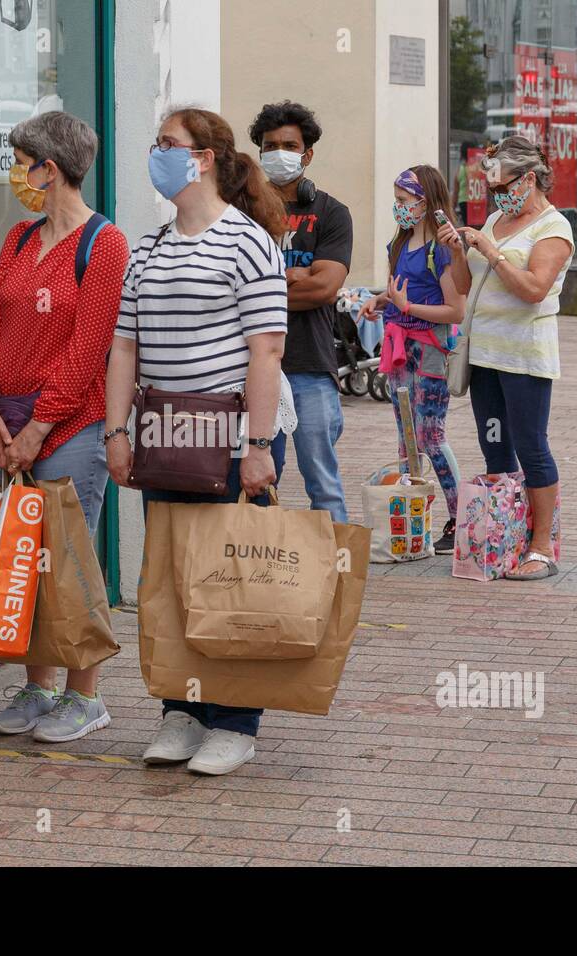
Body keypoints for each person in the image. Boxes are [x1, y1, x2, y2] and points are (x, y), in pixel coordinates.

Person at [104, 107, 290, 776]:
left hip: (233, 441)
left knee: (232, 583)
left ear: (205, 159)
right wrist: (117, 430)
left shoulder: (247, 241)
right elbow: (124, 346)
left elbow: (266, 349)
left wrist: (260, 445)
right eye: (156, 144)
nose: (158, 155)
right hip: (166, 438)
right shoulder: (149, 247)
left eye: (169, 145)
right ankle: (181, 711)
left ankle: (235, 721)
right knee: (173, 585)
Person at [0, 110, 130, 743]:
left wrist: (38, 427)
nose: (18, 174)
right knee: (25, 559)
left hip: (71, 427)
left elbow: (87, 349)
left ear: (50, 169)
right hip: (7, 423)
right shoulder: (17, 240)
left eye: (22, 162)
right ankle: (38, 688)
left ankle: (84, 696)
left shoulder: (103, 243)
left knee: (69, 562)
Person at [436, 135, 573, 581]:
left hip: (524, 355)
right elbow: (461, 286)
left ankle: (542, 548)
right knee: (494, 447)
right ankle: (506, 536)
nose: (496, 196)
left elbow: (534, 290)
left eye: (502, 185)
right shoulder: (496, 218)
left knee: (531, 446)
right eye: (491, 188)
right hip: (485, 355)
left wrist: (491, 252)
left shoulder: (553, 228)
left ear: (529, 178)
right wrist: (460, 251)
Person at [249, 101, 352, 523]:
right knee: (257, 482)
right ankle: (257, 581)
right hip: (253, 371)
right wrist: (294, 277)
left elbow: (326, 287)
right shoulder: (242, 214)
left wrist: (258, 290)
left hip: (310, 365)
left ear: (307, 154)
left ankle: (338, 582)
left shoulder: (330, 213)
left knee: (323, 483)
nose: (278, 153)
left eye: (289, 145)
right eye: (269, 145)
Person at [358, 166, 465, 552]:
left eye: (404, 201)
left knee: (431, 437)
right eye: (397, 201)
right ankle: (414, 517)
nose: (398, 208)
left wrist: (409, 307)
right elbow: (399, 290)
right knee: (406, 439)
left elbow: (455, 311)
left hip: (431, 349)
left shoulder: (443, 249)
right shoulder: (398, 245)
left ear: (425, 203)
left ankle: (460, 519)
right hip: (399, 348)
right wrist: (380, 300)